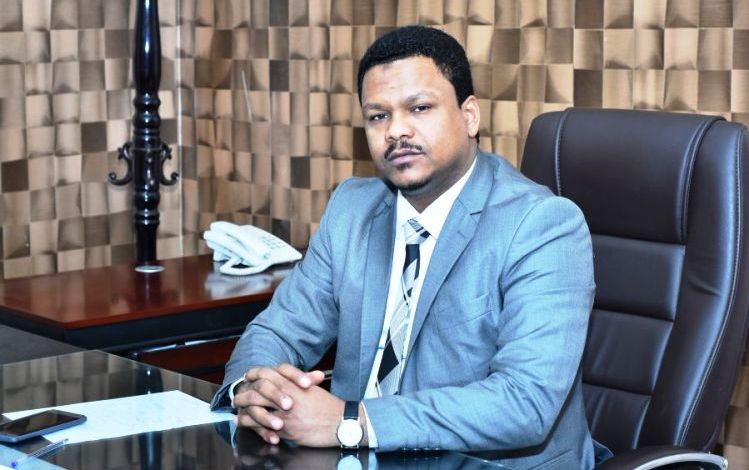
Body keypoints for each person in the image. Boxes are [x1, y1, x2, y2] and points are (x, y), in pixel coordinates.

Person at [212, 25, 602, 468]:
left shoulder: (541, 225)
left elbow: (524, 402)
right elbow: (278, 332)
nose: (396, 130)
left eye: (419, 108)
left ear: (469, 116)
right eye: (378, 116)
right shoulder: (352, 209)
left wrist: (350, 422)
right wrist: (254, 391)